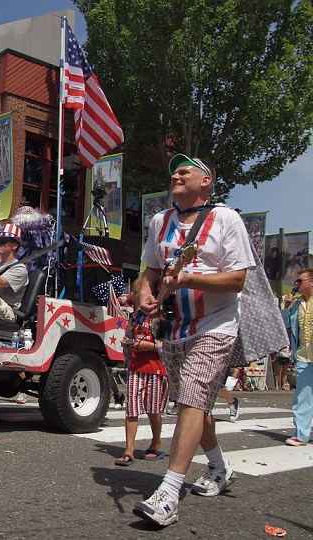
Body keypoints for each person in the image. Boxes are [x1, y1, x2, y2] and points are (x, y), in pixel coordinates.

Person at [133, 154, 256, 527]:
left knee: (190, 397)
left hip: (216, 325)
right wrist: (144, 293)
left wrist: (187, 280)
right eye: (174, 169)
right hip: (174, 328)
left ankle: (169, 492)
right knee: (196, 404)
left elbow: (237, 280)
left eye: (187, 169)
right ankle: (219, 467)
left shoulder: (226, 218)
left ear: (206, 182)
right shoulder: (160, 221)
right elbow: (150, 270)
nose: (176, 173)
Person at [115, 277, 168, 467]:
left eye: (137, 292)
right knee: (132, 409)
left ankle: (156, 442)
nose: (135, 295)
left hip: (156, 368)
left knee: (153, 409)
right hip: (136, 366)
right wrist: (127, 342)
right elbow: (130, 334)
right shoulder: (136, 316)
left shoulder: (160, 315)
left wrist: (148, 345)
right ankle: (129, 449)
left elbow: (167, 346)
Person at [282, 268, 313, 446]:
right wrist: (287, 306)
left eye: (300, 281)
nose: (296, 284)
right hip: (303, 356)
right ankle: (301, 434)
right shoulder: (297, 304)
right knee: (303, 395)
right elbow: (283, 324)